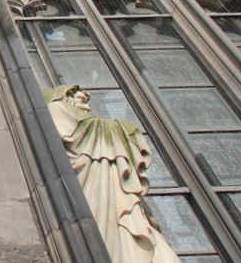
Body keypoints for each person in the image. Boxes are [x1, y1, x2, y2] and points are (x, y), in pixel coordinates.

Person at [45, 84, 179, 263]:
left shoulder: (100, 131)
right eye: (79, 99)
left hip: (120, 196)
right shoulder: (58, 111)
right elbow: (68, 130)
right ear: (65, 100)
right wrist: (119, 128)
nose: (87, 106)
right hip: (95, 193)